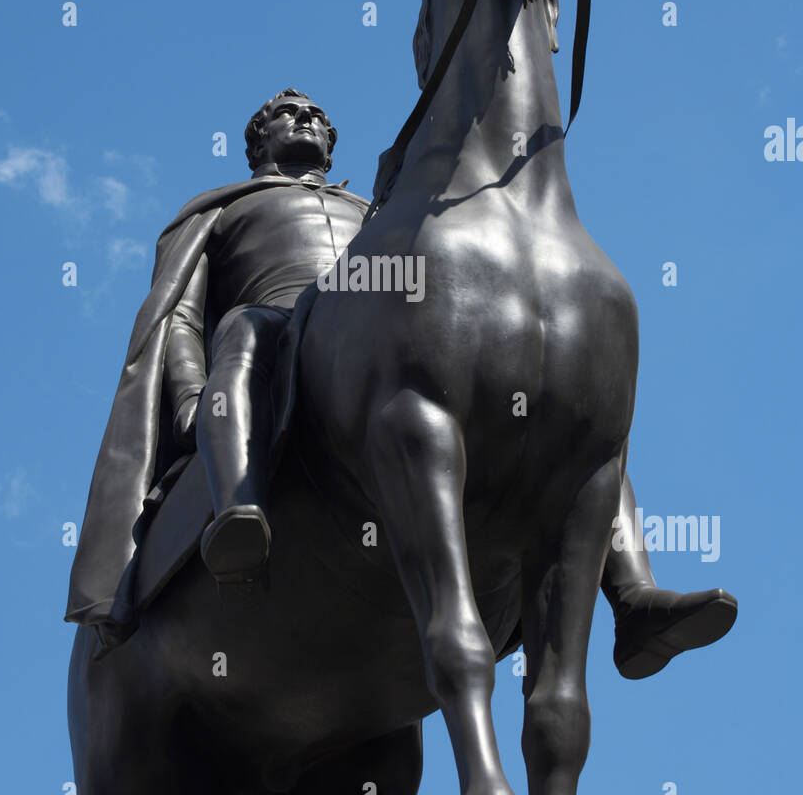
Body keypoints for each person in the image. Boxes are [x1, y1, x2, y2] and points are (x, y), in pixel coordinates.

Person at [66, 89, 737, 671]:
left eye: (315, 115)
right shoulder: (219, 210)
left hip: (364, 334)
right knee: (242, 326)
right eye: (285, 114)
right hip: (274, 332)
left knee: (568, 402)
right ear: (257, 142)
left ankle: (633, 597)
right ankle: (241, 508)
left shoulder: (371, 209)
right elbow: (178, 317)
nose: (303, 118)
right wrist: (189, 395)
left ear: (332, 143)